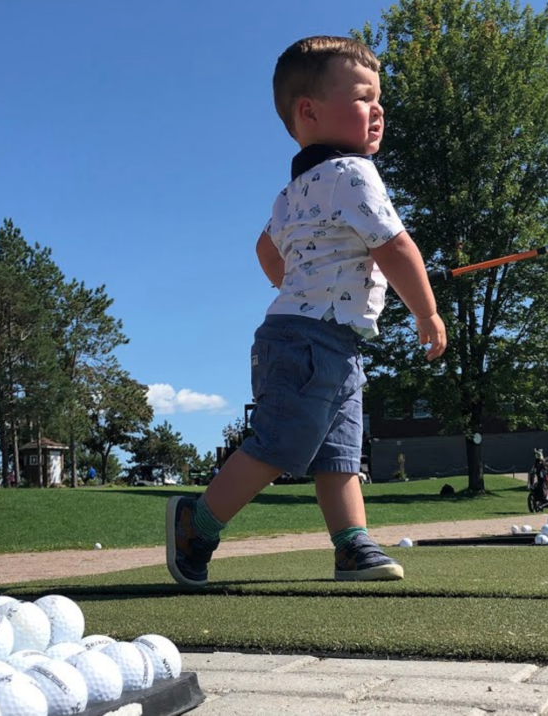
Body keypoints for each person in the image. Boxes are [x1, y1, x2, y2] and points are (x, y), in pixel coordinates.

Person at [166, 36, 446, 587]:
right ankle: (195, 523)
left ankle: (351, 544)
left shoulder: (292, 191)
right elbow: (395, 247)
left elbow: (266, 252)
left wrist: (297, 280)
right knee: (279, 446)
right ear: (309, 111)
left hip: (323, 340)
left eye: (379, 100)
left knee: (339, 454)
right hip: (310, 340)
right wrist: (426, 312)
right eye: (364, 97)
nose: (378, 110)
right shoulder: (353, 174)